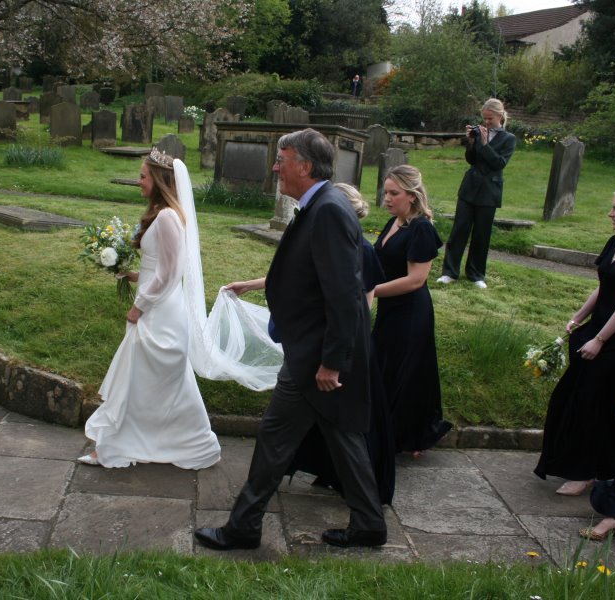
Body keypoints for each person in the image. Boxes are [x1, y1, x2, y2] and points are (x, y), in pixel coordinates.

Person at [194, 128, 387, 551]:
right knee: (342, 436)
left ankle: (243, 527)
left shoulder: (329, 209)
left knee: (275, 438)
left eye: (281, 160)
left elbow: (344, 295)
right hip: (314, 349)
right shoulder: (320, 204)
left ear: (305, 165)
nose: (275, 167)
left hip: (314, 356)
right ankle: (369, 523)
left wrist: (331, 361)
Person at [224, 184, 395, 505]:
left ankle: (249, 514)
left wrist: (337, 354)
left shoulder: (361, 249)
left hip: (336, 350)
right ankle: (365, 513)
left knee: (325, 431)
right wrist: (250, 285)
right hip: (315, 348)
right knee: (325, 431)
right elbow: (295, 277)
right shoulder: (326, 239)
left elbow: (360, 305)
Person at [77, 149, 221, 469]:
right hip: (159, 307)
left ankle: (126, 447)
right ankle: (126, 445)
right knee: (146, 385)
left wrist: (138, 307)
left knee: (141, 384)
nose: (138, 181)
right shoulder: (160, 212)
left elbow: (170, 274)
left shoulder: (168, 217)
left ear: (158, 180)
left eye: (143, 176)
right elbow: (158, 267)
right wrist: (133, 275)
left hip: (160, 315)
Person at [535, 186, 615, 497]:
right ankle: (601, 466)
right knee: (571, 399)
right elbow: (603, 287)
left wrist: (600, 340)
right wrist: (578, 317)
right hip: (596, 328)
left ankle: (586, 472)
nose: (610, 214)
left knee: (594, 406)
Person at [373, 165, 452, 457]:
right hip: (389, 307)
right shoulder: (394, 222)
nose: (387, 199)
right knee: (387, 367)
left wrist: (370, 291)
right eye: (385, 193)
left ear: (412, 195)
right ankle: (391, 433)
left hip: (410, 311)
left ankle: (404, 437)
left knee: (406, 372)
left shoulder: (421, 228)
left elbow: (416, 280)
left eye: (394, 193)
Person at [437, 98, 516, 289]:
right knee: (459, 230)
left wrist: (485, 143)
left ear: (499, 116)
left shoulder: (509, 139)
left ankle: (476, 274)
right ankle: (449, 272)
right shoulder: (480, 133)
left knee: (482, 234)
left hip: (489, 192)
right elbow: (472, 160)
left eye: (490, 119)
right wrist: (472, 142)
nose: (486, 122)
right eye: (484, 118)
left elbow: (498, 163)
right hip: (469, 188)